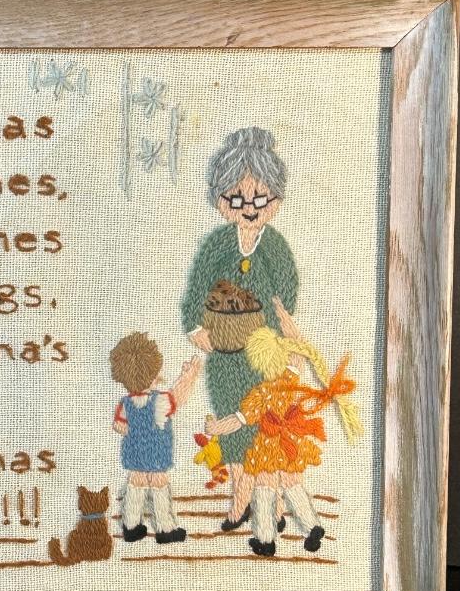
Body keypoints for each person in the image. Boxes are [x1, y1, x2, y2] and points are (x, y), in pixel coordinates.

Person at [180, 127, 299, 531]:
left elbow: (285, 295)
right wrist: (194, 324)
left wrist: (283, 340)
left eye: (259, 199)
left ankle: (273, 503)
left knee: (263, 426)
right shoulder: (218, 243)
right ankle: (240, 499)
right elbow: (198, 284)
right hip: (223, 356)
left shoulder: (274, 247)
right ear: (221, 200)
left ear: (274, 199)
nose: (248, 208)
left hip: (262, 357)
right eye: (236, 199)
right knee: (230, 429)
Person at [204, 327, 362, 557]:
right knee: (292, 483)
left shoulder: (260, 393)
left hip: (267, 447)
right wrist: (290, 343)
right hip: (289, 441)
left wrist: (215, 428)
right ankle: (312, 526)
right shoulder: (289, 379)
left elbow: (238, 421)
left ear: (259, 362)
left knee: (264, 488)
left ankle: (265, 540)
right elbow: (298, 357)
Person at [108, 332, 201, 543]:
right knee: (159, 483)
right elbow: (179, 395)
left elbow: (119, 426)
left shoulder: (126, 403)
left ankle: (131, 526)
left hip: (134, 452)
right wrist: (189, 375)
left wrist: (136, 432)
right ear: (152, 373)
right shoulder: (160, 401)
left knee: (136, 481)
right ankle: (165, 529)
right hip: (156, 452)